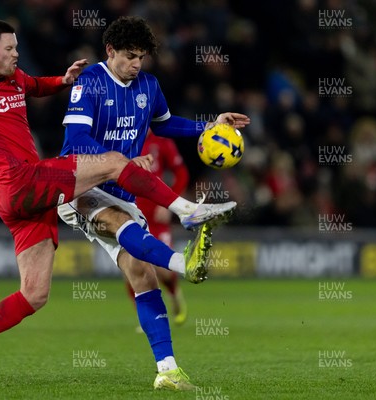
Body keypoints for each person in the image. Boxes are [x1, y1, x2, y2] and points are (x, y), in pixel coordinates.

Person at [0, 18, 232, 388]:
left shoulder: (15, 79)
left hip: (28, 201)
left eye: (16, 47)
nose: (16, 54)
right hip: (20, 180)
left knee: (36, 293)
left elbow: (36, 86)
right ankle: (190, 213)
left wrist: (61, 81)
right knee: (114, 164)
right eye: (9, 48)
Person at [57, 16, 250, 390]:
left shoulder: (148, 85)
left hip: (123, 189)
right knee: (121, 226)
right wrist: (120, 162)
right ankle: (185, 255)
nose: (136, 65)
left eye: (142, 58)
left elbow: (163, 124)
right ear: (110, 51)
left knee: (144, 278)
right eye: (130, 56)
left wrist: (209, 127)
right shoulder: (90, 82)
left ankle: (168, 371)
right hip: (81, 188)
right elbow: (77, 139)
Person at [129, 130, 190, 327]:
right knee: (133, 266)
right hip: (131, 213)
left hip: (157, 215)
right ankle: (147, 316)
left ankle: (174, 292)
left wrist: (169, 204)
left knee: (162, 269)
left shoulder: (162, 141)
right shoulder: (124, 137)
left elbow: (182, 173)